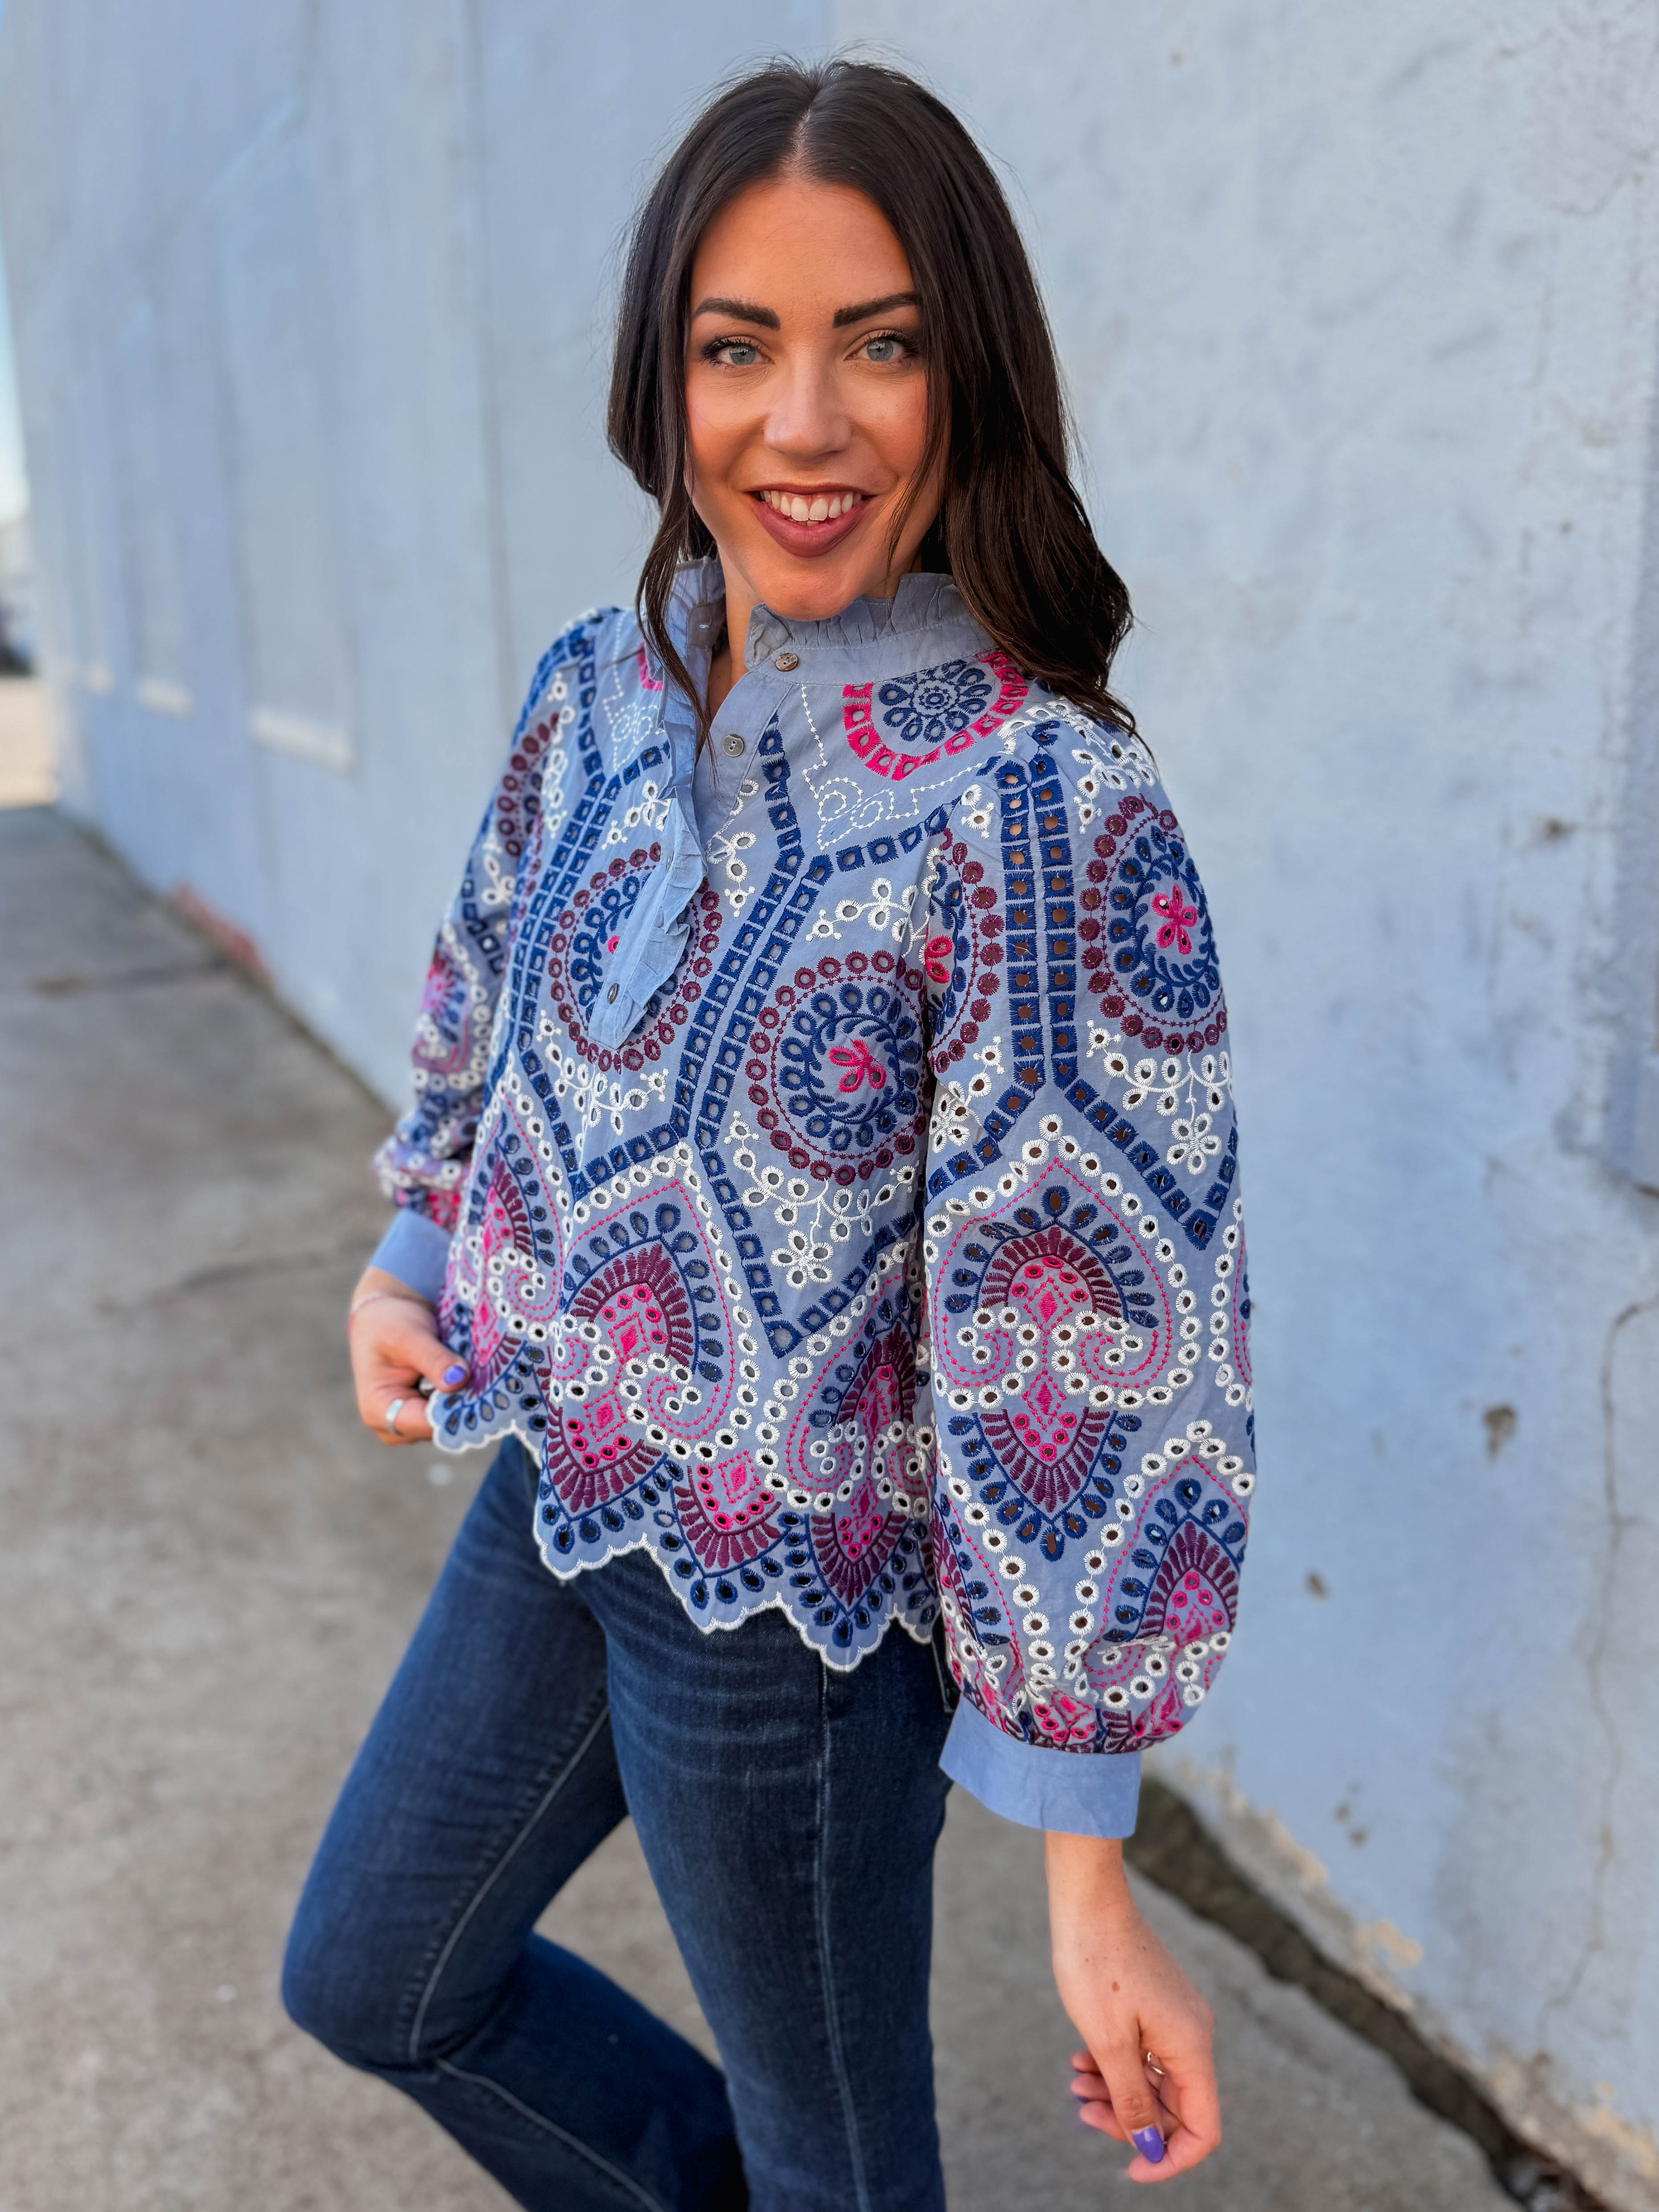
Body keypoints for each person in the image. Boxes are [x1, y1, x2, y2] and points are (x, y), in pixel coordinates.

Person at [283, 57, 1252, 2212]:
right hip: (551, 1475)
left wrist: (1086, 1871)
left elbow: (1086, 1336)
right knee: (375, 1974)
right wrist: (417, 1247)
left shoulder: (1039, 802)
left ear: (968, 372)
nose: (800, 424)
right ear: (666, 376)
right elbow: (489, 966)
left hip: (786, 1632)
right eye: (738, 348)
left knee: (839, 2161)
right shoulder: (608, 675)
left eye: (877, 345)